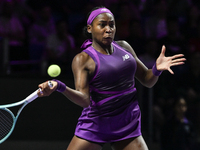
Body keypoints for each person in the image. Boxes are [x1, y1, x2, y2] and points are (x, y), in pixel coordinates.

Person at [37, 6, 186, 150]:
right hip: (96, 125)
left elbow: (147, 80)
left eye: (111, 25)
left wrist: (156, 69)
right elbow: (84, 99)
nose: (108, 29)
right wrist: (60, 86)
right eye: (102, 25)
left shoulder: (124, 47)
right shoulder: (82, 59)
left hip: (127, 124)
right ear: (90, 28)